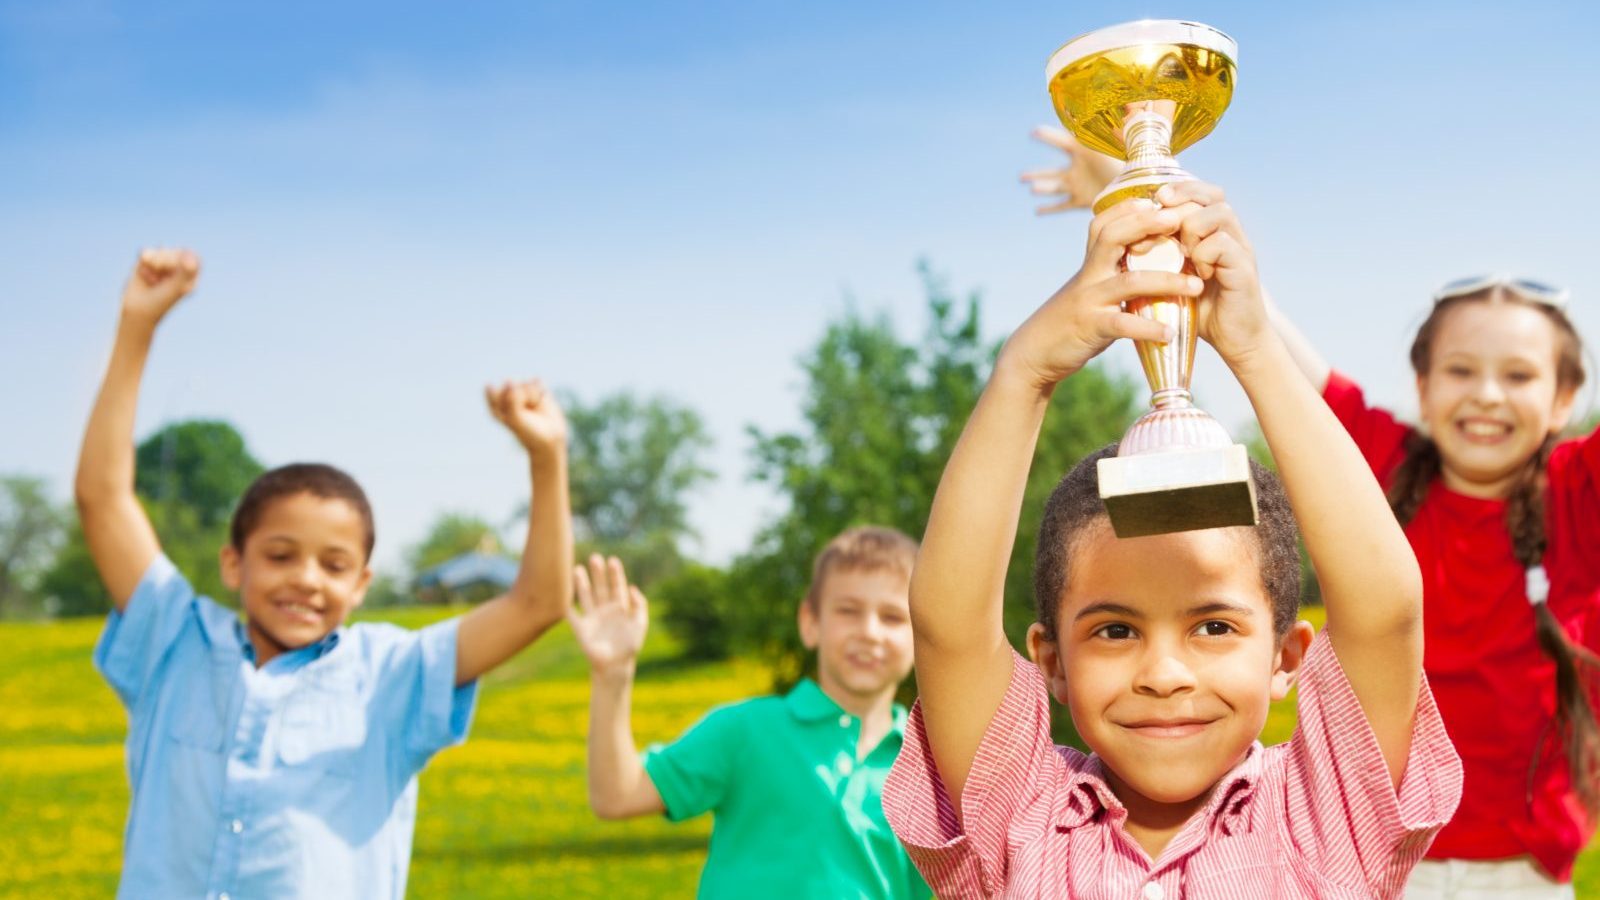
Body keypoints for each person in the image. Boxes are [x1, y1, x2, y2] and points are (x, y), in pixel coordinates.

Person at [883, 186, 1463, 897]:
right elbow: (948, 626)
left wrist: (1253, 351)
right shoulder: (1024, 821)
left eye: (1214, 626)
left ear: (1286, 658)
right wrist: (1025, 372)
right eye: (1115, 630)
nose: (1164, 673)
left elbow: (1387, 608)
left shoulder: (1324, 816)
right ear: (1051, 662)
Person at [78, 248, 574, 899]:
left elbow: (538, 603)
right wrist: (137, 326)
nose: (307, 579)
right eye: (280, 555)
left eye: (334, 565)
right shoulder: (174, 642)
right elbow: (104, 498)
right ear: (234, 562)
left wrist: (547, 457)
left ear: (362, 584)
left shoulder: (393, 674)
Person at [1264, 266, 1599, 897]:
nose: (1488, 395)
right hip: (1372, 860)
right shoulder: (1382, 464)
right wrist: (1156, 194)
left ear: (1564, 399)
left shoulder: (1580, 492)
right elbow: (1268, 342)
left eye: (1520, 375)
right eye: (1461, 370)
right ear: (1422, 386)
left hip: (1519, 876)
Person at [569, 526, 932, 899]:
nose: (870, 632)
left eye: (892, 617)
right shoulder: (743, 731)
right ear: (810, 623)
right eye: (848, 611)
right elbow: (617, 796)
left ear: (922, 634)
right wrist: (612, 675)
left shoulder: (932, 772)